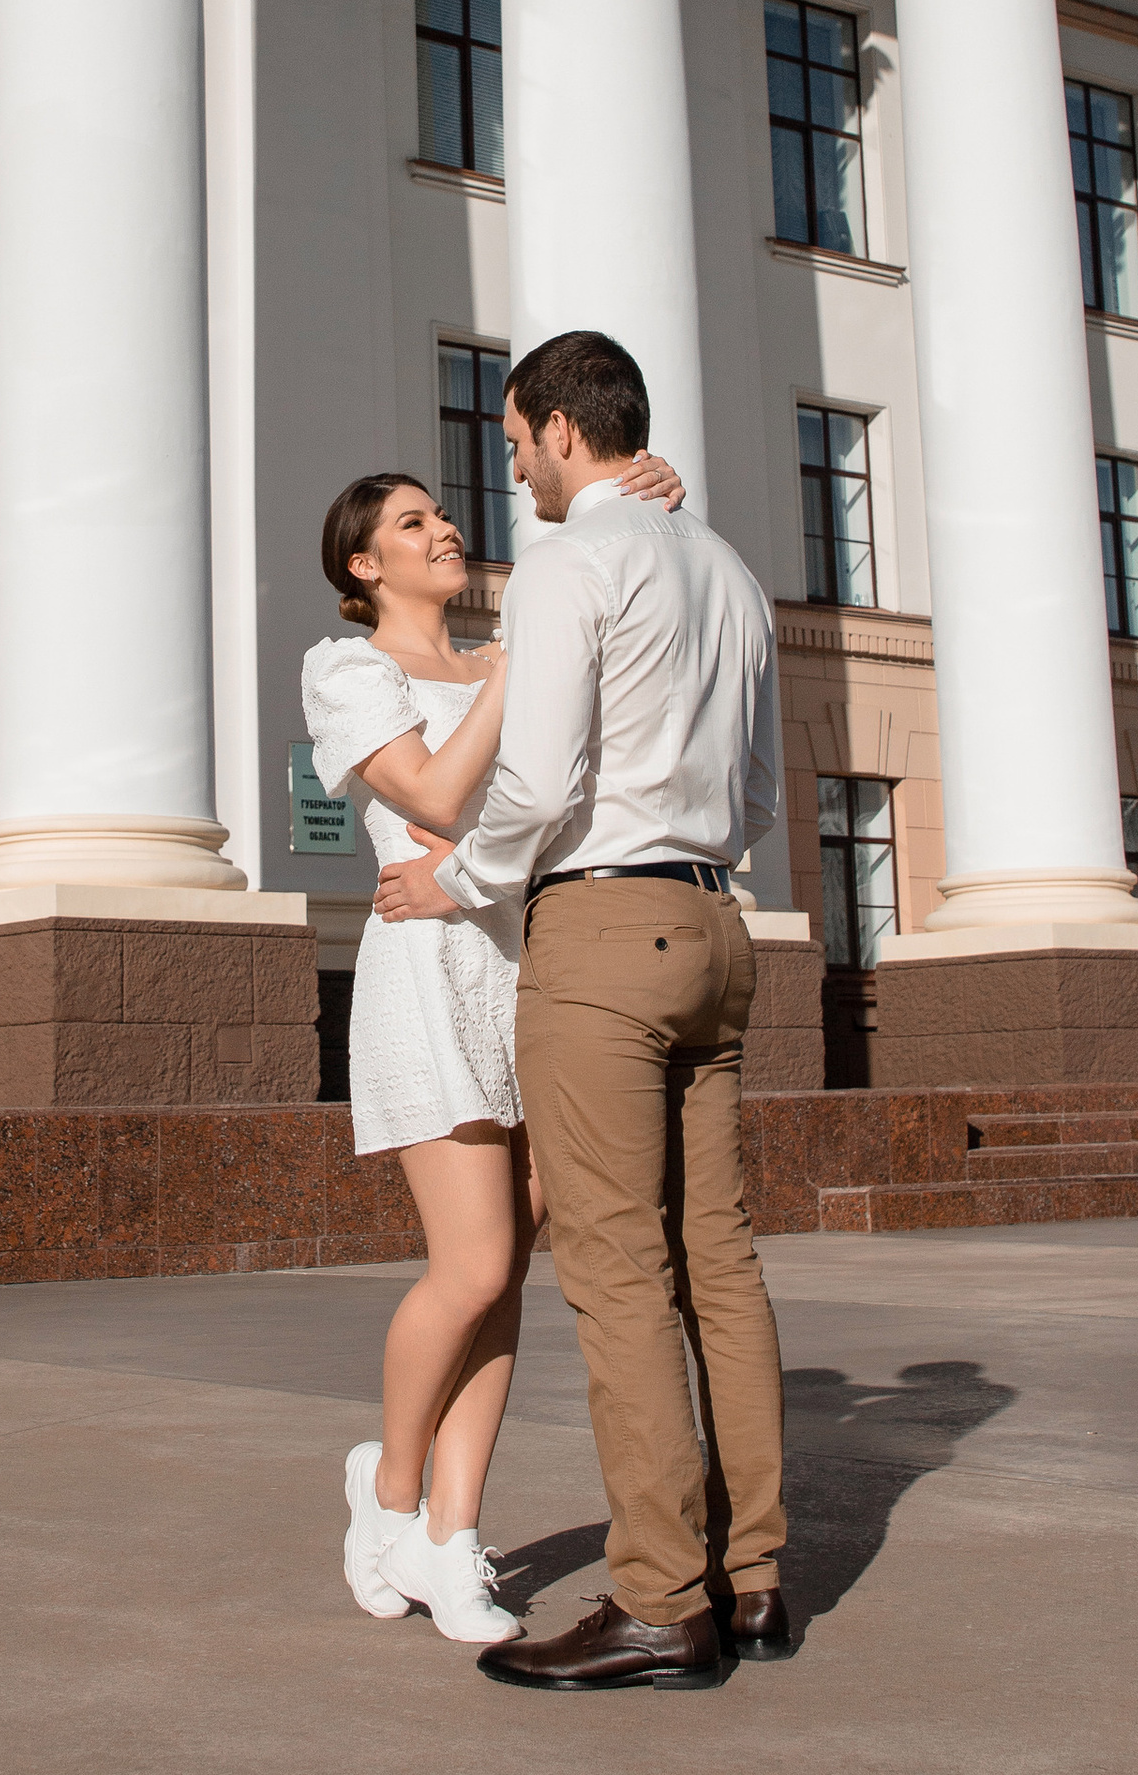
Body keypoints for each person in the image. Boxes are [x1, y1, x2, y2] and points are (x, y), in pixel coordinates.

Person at [374, 330, 791, 1693]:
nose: (513, 477)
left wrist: (465, 879)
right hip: (719, 921)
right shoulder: (728, 570)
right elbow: (767, 788)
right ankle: (754, 1578)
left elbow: (539, 779)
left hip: (606, 926)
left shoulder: (572, 563)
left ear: (560, 430)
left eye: (511, 449)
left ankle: (662, 1598)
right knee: (718, 1263)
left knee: (617, 1272)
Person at [302, 450, 681, 1648]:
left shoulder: (501, 652)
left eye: (444, 514)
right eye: (412, 524)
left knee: (510, 1266)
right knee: (467, 1265)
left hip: (539, 961)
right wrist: (518, 674)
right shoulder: (346, 667)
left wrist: (640, 493)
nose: (444, 530)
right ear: (365, 565)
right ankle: (392, 1491)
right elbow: (432, 801)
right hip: (428, 966)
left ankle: (456, 1541)